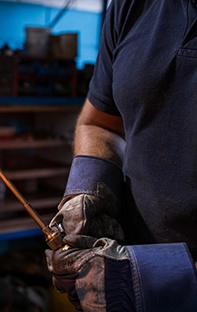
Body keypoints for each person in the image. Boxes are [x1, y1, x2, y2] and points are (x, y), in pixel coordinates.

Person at [44, 0, 197, 311]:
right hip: (132, 263)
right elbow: (100, 122)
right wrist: (86, 193)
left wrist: (164, 278)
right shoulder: (132, 7)